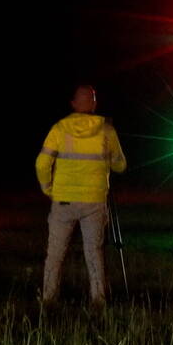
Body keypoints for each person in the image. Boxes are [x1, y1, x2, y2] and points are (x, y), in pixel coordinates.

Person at [35, 85, 126, 307]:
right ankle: (98, 300)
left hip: (63, 199)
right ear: (94, 104)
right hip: (94, 201)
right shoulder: (107, 130)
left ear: (73, 104)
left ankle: (48, 299)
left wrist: (48, 188)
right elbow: (120, 165)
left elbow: (42, 163)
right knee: (94, 252)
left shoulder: (59, 128)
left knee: (55, 253)